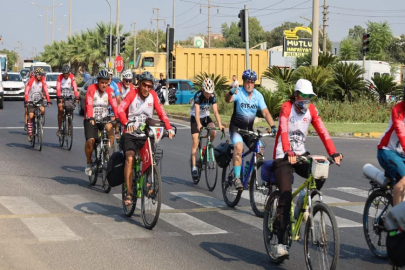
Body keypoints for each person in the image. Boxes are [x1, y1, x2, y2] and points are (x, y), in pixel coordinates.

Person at [271, 79, 343, 258]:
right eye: (304, 96)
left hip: (301, 154)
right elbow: (284, 130)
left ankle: (304, 197)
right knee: (286, 195)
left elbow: (323, 131)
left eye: (310, 97)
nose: (307, 100)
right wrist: (288, 151)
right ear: (296, 95)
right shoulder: (286, 108)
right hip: (283, 155)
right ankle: (280, 243)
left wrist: (333, 152)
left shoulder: (311, 110)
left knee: (320, 171)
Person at [118, 71, 175, 206]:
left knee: (151, 158)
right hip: (130, 133)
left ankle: (146, 180)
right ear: (139, 84)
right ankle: (129, 192)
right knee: (130, 157)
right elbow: (120, 109)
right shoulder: (132, 94)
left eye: (149, 86)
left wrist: (169, 128)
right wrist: (127, 123)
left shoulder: (153, 96)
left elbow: (162, 112)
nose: (146, 89)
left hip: (145, 134)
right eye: (144, 85)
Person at [225, 69, 277, 190]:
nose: (250, 84)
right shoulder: (239, 92)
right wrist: (230, 92)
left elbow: (265, 112)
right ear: (243, 82)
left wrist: (273, 126)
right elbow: (227, 100)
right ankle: (237, 178)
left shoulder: (258, 96)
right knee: (239, 147)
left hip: (249, 130)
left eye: (252, 82)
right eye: (248, 81)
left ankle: (248, 170)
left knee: (260, 151)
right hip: (236, 128)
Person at [84, 70, 118, 176]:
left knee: (110, 130)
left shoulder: (110, 91)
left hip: (104, 118)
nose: (104, 85)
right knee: (91, 141)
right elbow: (89, 103)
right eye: (102, 82)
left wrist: (117, 117)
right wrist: (91, 117)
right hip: (91, 118)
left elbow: (114, 105)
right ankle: (89, 163)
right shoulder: (91, 89)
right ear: (98, 81)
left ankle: (106, 153)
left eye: (106, 82)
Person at [190, 78, 224, 179]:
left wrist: (220, 124)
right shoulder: (198, 96)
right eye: (207, 92)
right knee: (195, 141)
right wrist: (198, 124)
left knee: (213, 132)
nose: (209, 95)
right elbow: (196, 113)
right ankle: (194, 167)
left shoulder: (212, 96)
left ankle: (206, 147)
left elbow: (216, 111)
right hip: (195, 117)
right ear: (203, 89)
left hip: (205, 117)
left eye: (210, 92)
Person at [377, 86, 405, 207]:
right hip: (388, 151)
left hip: (402, 154)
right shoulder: (398, 110)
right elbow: (401, 133)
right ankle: (396, 221)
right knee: (403, 180)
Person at [24, 68, 52, 141]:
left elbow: (46, 90)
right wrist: (26, 100)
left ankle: (39, 121)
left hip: (39, 100)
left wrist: (48, 100)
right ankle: (30, 134)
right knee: (31, 116)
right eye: (39, 74)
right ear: (36, 74)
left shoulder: (43, 81)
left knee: (42, 110)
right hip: (30, 100)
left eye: (42, 75)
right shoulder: (31, 81)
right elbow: (26, 91)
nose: (40, 76)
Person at [56, 64, 79, 137]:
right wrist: (59, 97)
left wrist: (76, 96)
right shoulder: (59, 77)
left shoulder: (72, 77)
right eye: (64, 73)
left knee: (70, 109)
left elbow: (75, 87)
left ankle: (69, 126)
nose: (66, 75)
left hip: (69, 96)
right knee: (60, 109)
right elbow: (58, 88)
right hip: (61, 96)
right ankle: (59, 129)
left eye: (67, 73)